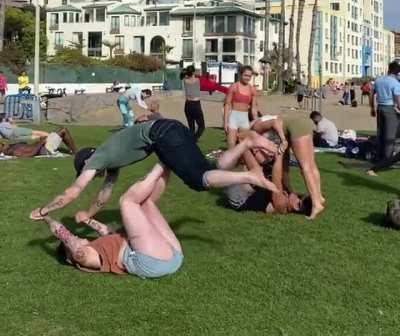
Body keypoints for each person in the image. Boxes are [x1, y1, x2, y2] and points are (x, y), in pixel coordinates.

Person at [29, 119, 278, 221]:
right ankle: (248, 142)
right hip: (171, 128)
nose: (95, 176)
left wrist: (43, 210)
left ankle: (250, 175)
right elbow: (104, 195)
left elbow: (73, 191)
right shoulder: (110, 161)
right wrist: (89, 214)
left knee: (197, 180)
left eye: (85, 171)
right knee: (208, 168)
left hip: (163, 135)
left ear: (85, 163)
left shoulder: (96, 161)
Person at [40, 164, 183, 279]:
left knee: (147, 202)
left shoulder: (99, 248)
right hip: (151, 261)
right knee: (127, 202)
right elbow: (66, 237)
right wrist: (45, 216)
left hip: (172, 257)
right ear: (69, 254)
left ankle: (168, 162)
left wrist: (88, 220)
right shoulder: (82, 257)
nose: (78, 237)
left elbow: (106, 232)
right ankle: (161, 163)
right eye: (75, 238)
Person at [250, 115, 325, 220]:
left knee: (305, 167)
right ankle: (319, 197)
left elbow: (276, 122)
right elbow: (284, 167)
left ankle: (316, 204)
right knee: (311, 165)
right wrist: (290, 190)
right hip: (304, 123)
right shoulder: (266, 130)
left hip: (296, 127)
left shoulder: (255, 128)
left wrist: (283, 139)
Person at [223, 145, 312, 216]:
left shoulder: (281, 205)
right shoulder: (289, 196)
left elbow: (276, 178)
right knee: (268, 166)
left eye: (299, 197)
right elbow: (285, 174)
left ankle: (244, 145)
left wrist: (279, 156)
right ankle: (246, 146)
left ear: (296, 206)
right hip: (246, 190)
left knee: (260, 174)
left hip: (238, 198)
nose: (298, 194)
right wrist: (286, 147)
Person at [367, 61, 400, 176]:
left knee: (380, 134)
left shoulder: (379, 80)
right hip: (390, 109)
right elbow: (398, 100)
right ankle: (386, 161)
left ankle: (378, 157)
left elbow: (371, 94)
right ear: (397, 72)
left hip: (380, 108)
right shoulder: (395, 83)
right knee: (390, 136)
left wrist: (372, 107)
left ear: (389, 69)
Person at [224, 66, 258, 148]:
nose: (247, 78)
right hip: (233, 118)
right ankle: (231, 160)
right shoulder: (234, 87)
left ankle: (240, 160)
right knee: (231, 144)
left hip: (244, 119)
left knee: (243, 145)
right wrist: (225, 122)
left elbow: (254, 107)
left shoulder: (252, 89)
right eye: (245, 75)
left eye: (249, 76)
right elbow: (227, 104)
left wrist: (256, 120)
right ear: (241, 74)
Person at [0, 127, 77, 157]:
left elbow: (30, 146)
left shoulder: (12, 146)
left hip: (43, 145)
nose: (4, 143)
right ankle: (76, 152)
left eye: (2, 143)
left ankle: (74, 151)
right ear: (2, 150)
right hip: (46, 149)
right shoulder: (14, 152)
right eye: (2, 145)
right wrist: (42, 142)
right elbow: (31, 153)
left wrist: (38, 141)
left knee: (59, 130)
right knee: (63, 130)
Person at [181, 65, 205, 140]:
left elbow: (183, 75)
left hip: (187, 105)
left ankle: (191, 140)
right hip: (196, 104)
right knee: (202, 126)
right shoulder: (197, 80)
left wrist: (187, 72)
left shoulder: (185, 80)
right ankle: (194, 140)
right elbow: (199, 73)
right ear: (193, 72)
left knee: (191, 127)